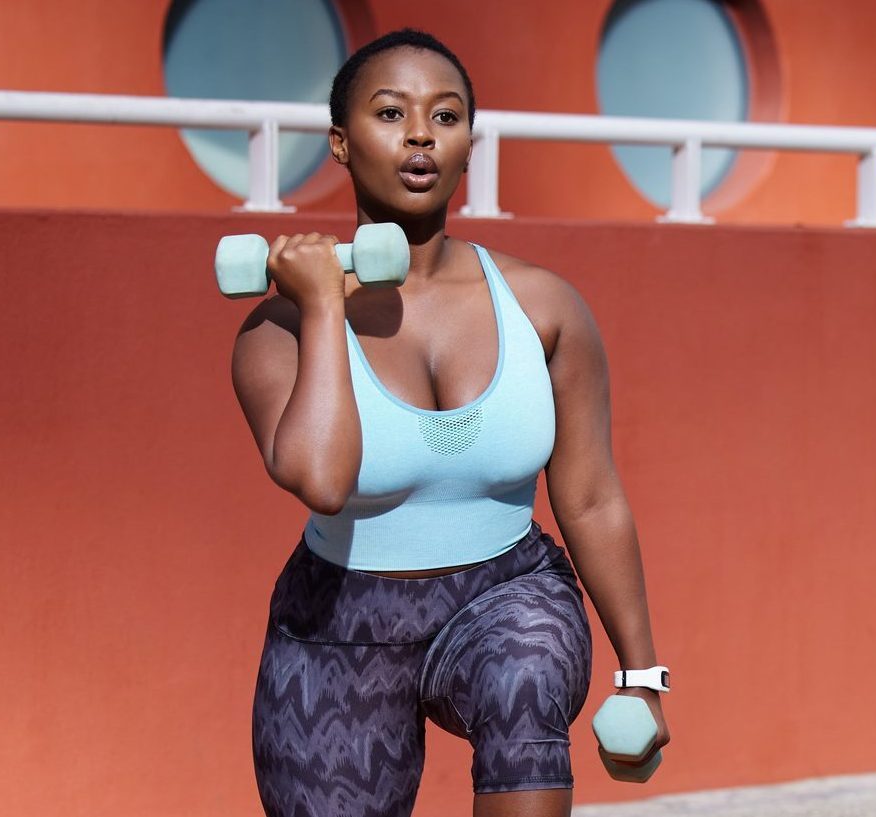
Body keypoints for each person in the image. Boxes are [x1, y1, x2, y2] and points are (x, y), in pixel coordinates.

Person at [231, 28, 670, 817]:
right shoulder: (278, 331)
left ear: (469, 142)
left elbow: (593, 498)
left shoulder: (542, 306)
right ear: (339, 142)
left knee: (525, 672)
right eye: (391, 113)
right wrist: (325, 302)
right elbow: (323, 480)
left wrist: (640, 675)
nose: (420, 135)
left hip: (505, 592)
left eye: (446, 115)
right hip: (337, 620)